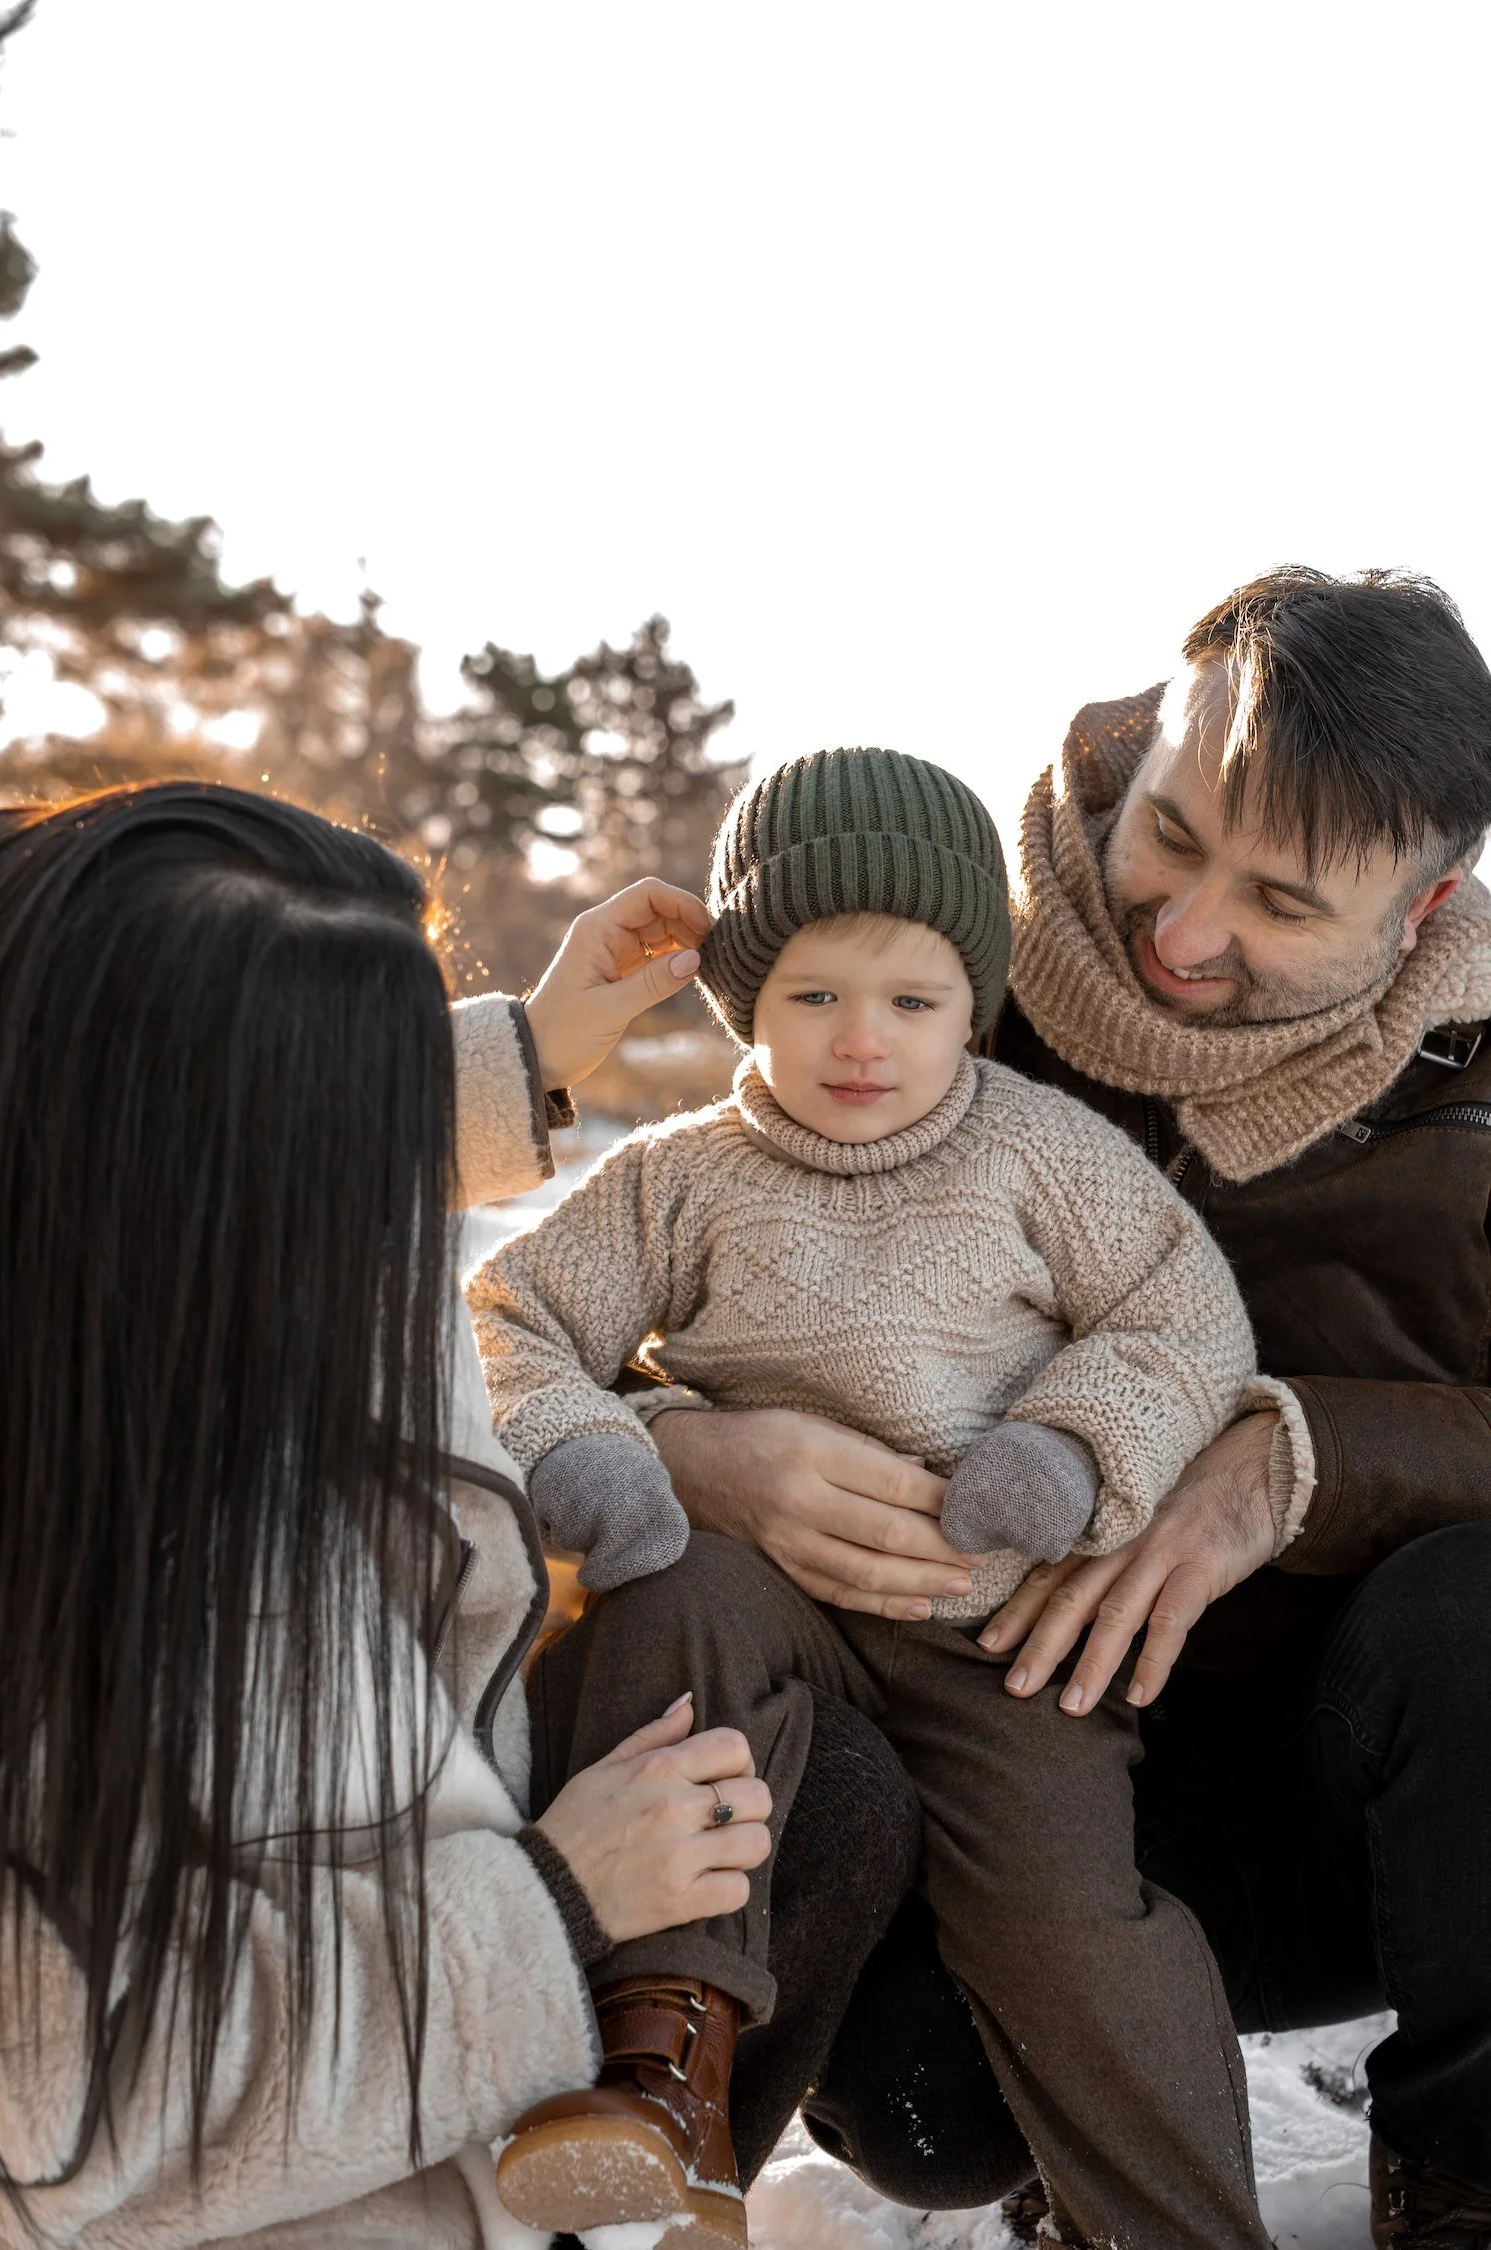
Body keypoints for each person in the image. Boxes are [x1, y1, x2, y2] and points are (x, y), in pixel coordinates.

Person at [632, 569, 1491, 2250]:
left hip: (1371, 1804)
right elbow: (639, 1294)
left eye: (1281, 901)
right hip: (988, 1765)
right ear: (1130, 740)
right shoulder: (931, 980)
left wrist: (1295, 1453)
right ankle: (1027, 2131)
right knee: (920, 2102)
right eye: (1169, 831)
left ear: (1423, 906)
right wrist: (702, 1448)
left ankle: (1469, 2176)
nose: (1179, 935)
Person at [0, 784, 916, 2250]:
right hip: (247, 2188)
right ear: (178, 1181)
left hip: (421, 1934)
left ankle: (661, 2169)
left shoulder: (149, 1274)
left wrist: (534, 1049)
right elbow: (76, 2103)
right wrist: (551, 1900)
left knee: (819, 1784)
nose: (392, 1197)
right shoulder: (74, 1559)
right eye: (363, 1130)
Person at [472, 746, 1310, 2250]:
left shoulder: (1043, 1151)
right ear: (744, 997)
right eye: (812, 996)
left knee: (1066, 1919)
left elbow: (1183, 1322)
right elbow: (510, 1315)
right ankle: (665, 2064)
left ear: (969, 1004)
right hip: (763, 1592)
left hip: (997, 1626)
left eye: (911, 1001)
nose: (862, 1040)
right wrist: (599, 1449)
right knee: (675, 1616)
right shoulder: (682, 1175)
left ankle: (1181, 2222)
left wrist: (1067, 1447)